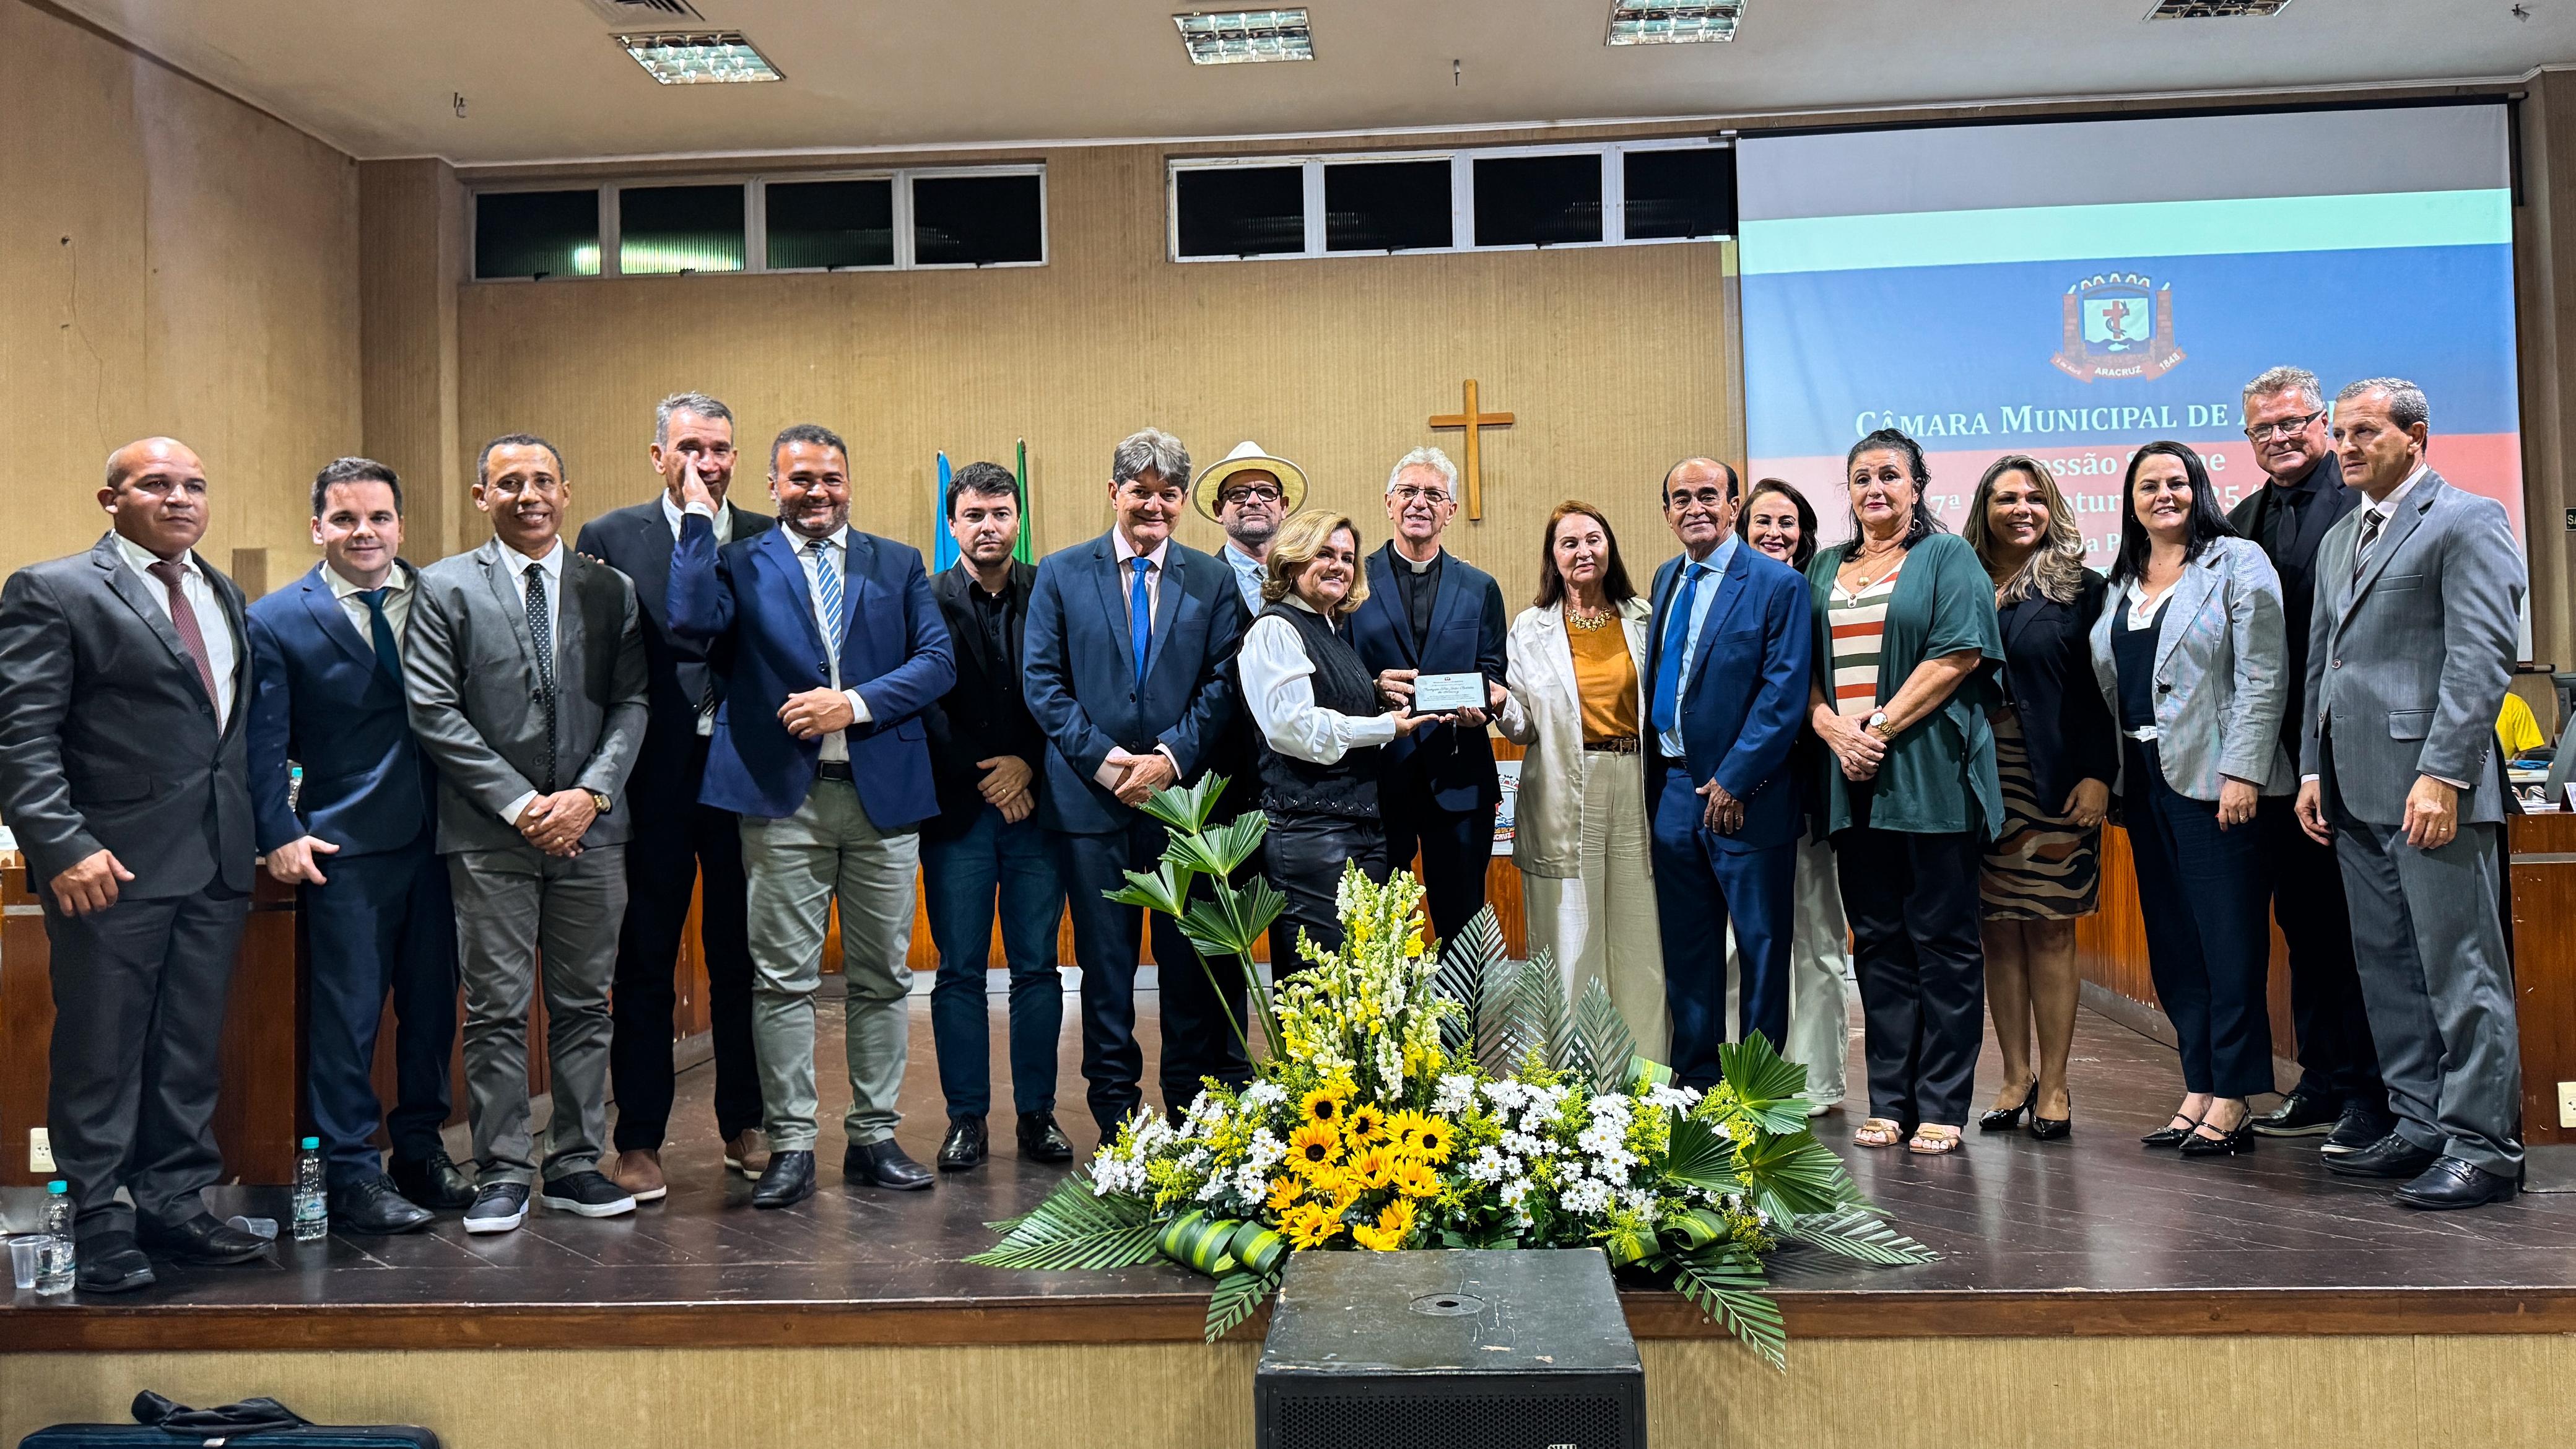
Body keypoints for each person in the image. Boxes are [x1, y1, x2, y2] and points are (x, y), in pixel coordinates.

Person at [0, 437, 268, 1292]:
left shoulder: (221, 592)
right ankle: (100, 1217)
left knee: (189, 1049)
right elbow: (21, 734)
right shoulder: (54, 590)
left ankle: (174, 1202)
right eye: (156, 484)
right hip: (110, 865)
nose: (180, 498)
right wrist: (63, 844)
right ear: (111, 500)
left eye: (194, 484)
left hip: (215, 862)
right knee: (102, 1051)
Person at [669, 424, 955, 1206]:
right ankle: (791, 1143)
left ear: (848, 483)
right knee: (781, 981)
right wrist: (696, 517)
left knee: (883, 979)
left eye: (830, 477)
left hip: (882, 798)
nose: (817, 491)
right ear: (772, 487)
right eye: (800, 479)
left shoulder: (897, 562)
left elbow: (936, 663)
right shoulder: (737, 561)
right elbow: (689, 623)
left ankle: (874, 1137)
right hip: (779, 801)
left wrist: (850, 705)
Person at [407, 433, 649, 1234]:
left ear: (566, 492)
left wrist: (589, 796)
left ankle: (576, 1162)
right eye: (509, 483)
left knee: (584, 1006)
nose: (528, 495)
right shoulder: (443, 587)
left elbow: (633, 704)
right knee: (496, 1010)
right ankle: (504, 1170)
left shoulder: (610, 589)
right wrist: (521, 806)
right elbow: (433, 711)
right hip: (488, 836)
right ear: (482, 497)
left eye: (543, 480)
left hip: (592, 834)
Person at [2298, 378, 2527, 1209]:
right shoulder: (2341, 536)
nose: (2345, 447)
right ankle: (2421, 1123)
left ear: (2415, 436)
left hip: (2434, 790)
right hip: (2353, 790)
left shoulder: (2468, 520)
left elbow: (2480, 659)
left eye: (2364, 432)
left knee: (2461, 971)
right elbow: (2324, 663)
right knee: (2388, 970)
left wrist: (2444, 774)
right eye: (2340, 433)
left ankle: (2484, 1148)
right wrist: (2312, 768)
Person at [245, 458, 465, 1234]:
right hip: (346, 848)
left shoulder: (443, 597)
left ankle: (421, 1152)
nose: (363, 532)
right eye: (344, 519)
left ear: (401, 525)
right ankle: (349, 1171)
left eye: (378, 518)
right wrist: (278, 832)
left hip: (448, 838)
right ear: (318, 529)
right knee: (348, 1019)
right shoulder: (276, 618)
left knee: (433, 1010)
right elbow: (261, 742)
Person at [573, 393, 773, 1201]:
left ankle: (746, 1122)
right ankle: (639, 1138)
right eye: (690, 447)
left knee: (741, 959)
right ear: (658, 456)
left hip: (744, 776)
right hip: (651, 779)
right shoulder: (610, 538)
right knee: (646, 960)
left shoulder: (766, 537)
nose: (706, 463)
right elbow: (595, 667)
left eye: (719, 449)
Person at [1024, 428, 1251, 1135]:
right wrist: (1110, 762)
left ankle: (1189, 1119)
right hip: (1091, 809)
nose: (1153, 505)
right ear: (1113, 493)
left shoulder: (1211, 580)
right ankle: (1118, 1125)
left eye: (1167, 494)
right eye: (1139, 491)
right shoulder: (1060, 572)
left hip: (1182, 807)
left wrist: (1169, 760)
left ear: (1182, 501)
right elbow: (1042, 683)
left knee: (1188, 974)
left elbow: (1223, 684)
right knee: (1105, 974)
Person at [2089, 442, 2292, 1161]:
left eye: (2175, 482)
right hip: (2142, 780)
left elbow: (2264, 673)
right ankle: (2197, 1085)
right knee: (2174, 945)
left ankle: (2234, 1096)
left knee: (2226, 942)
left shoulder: (2237, 562)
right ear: (2130, 501)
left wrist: (2243, 771)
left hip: (2217, 781)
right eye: (2147, 485)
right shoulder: (2120, 581)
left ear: (2197, 488)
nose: (2163, 495)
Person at [1805, 429, 2003, 1158]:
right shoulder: (1822, 567)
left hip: (1928, 778)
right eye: (1861, 477)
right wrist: (1834, 731)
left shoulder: (1946, 557)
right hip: (1848, 780)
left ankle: (1943, 1103)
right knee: (1879, 944)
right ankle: (1889, 1100)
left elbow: (1958, 654)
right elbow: (1798, 667)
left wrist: (1877, 728)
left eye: (1889, 475)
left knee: (1943, 944)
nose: (1874, 489)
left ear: (1916, 486)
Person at [2226, 367, 2382, 1155]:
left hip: (2354, 754)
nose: (2280, 437)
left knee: (2361, 934)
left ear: (2321, 422)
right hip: (2278, 762)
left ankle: (2370, 1093)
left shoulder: (2364, 505)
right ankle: (2321, 1077)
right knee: (2305, 926)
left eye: (2293, 422)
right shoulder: (2238, 521)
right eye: (2263, 428)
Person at [920, 461, 1073, 1172]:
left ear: (1018, 520)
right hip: (959, 812)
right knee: (958, 970)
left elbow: (1072, 687)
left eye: (1000, 513)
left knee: (1037, 967)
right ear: (953, 525)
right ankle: (966, 1118)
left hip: (1038, 809)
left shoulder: (1052, 590)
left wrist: (1028, 765)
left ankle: (1037, 1114)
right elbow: (921, 700)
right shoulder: (922, 598)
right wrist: (989, 772)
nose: (988, 526)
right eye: (974, 515)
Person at [1642, 461, 1812, 1092]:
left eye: (1709, 495)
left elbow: (1782, 693)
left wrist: (1735, 779)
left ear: (1734, 506)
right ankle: (1696, 1083)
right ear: (1667, 513)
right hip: (1673, 791)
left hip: (1748, 797)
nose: (1696, 507)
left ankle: (1756, 1092)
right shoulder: (1667, 578)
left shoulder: (1777, 584)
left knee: (1762, 950)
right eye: (1681, 498)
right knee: (1688, 950)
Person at [1964, 456, 2115, 1143]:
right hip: (1976, 781)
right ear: (1984, 509)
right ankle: (2013, 1077)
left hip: (2054, 778)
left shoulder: (2083, 587)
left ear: (2051, 506)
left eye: (2033, 497)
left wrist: (2098, 773)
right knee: (1996, 928)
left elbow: (2100, 690)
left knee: (2051, 929)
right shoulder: (1958, 579)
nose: (2020, 509)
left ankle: (2054, 1084)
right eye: (2005, 498)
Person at [1498, 502, 1664, 1059]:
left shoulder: (1645, 617)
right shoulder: (1530, 628)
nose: (1583, 551)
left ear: (1609, 546)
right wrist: (1498, 704)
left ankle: (1645, 1072)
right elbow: (1523, 726)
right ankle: (1568, 1079)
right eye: (1568, 543)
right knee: (1570, 935)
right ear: (1553, 557)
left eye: (1593, 539)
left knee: (1641, 934)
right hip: (1564, 788)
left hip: (1637, 781)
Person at [1244, 510, 1441, 962]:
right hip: (1310, 833)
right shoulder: (1275, 628)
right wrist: (1386, 727)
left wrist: (1374, 693)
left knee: (1359, 984)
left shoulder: (1329, 630)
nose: (1339, 566)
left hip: (1358, 830)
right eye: (1324, 554)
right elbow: (1292, 729)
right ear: (1292, 560)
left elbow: (1326, 701)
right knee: (1322, 986)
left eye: (1348, 558)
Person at [1350, 447, 1512, 946]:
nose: (1420, 502)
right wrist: (1373, 688)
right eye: (1409, 492)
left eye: (1434, 495)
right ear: (1389, 502)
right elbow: (1337, 669)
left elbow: (1492, 671)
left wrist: (1484, 707)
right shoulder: (1352, 580)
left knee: (1462, 927)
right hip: (1377, 778)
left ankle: (1460, 1004)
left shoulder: (1480, 587)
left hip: (1460, 778)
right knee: (1380, 929)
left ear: (1451, 511)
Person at [1738, 479, 1850, 1113]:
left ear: (1804, 534)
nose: (1774, 532)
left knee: (1817, 939)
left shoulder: (1821, 596)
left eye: (1787, 522)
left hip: (1811, 792)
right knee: (1741, 945)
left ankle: (1815, 1080)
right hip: (1740, 798)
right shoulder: (1725, 593)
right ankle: (1746, 1072)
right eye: (1763, 521)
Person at [1196, 440, 1307, 614]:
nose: (1254, 501)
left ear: (1283, 507)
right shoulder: (1199, 583)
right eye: (1239, 493)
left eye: (1266, 492)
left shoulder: (1304, 578)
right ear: (1219, 510)